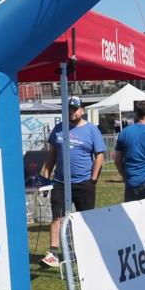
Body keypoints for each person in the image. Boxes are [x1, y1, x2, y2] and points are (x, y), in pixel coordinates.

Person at [39, 96, 105, 268]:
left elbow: (99, 155)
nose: (72, 112)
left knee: (85, 218)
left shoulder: (91, 130)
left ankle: (85, 252)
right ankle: (53, 253)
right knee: (57, 216)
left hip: (83, 182)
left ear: (82, 110)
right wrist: (45, 177)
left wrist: (93, 179)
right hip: (60, 181)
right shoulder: (59, 129)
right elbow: (52, 155)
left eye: (75, 109)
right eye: (69, 109)